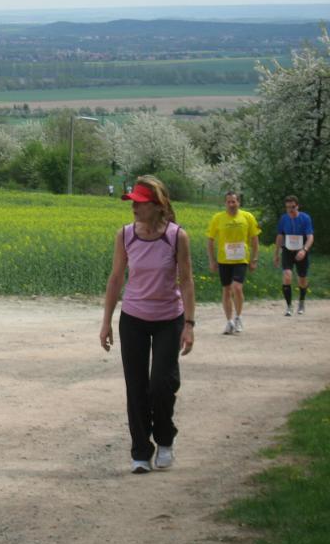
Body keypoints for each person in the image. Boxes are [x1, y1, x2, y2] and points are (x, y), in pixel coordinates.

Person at [100, 176, 195, 474]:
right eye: (133, 203)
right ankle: (141, 451)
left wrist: (189, 324)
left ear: (157, 206)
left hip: (169, 319)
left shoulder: (177, 236)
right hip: (133, 319)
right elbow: (116, 278)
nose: (134, 208)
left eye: (140, 203)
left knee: (162, 384)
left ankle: (165, 439)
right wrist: (106, 322)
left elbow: (186, 281)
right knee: (136, 387)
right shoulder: (125, 235)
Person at [206, 191, 260, 334]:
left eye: (233, 202)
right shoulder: (218, 218)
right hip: (224, 260)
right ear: (225, 203)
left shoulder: (247, 217)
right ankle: (229, 321)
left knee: (237, 287)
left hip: (241, 259)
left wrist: (254, 259)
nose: (231, 204)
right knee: (226, 290)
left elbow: (255, 239)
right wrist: (212, 260)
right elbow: (210, 240)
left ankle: (238, 317)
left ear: (238, 203)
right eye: (228, 202)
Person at [273, 195, 314, 316]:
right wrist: (276, 254)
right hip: (287, 250)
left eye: (292, 207)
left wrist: (304, 250)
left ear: (297, 206)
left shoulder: (305, 218)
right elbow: (280, 236)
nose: (290, 210)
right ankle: (289, 306)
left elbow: (310, 237)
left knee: (302, 279)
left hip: (301, 251)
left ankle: (301, 302)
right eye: (287, 207)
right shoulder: (284, 219)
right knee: (287, 276)